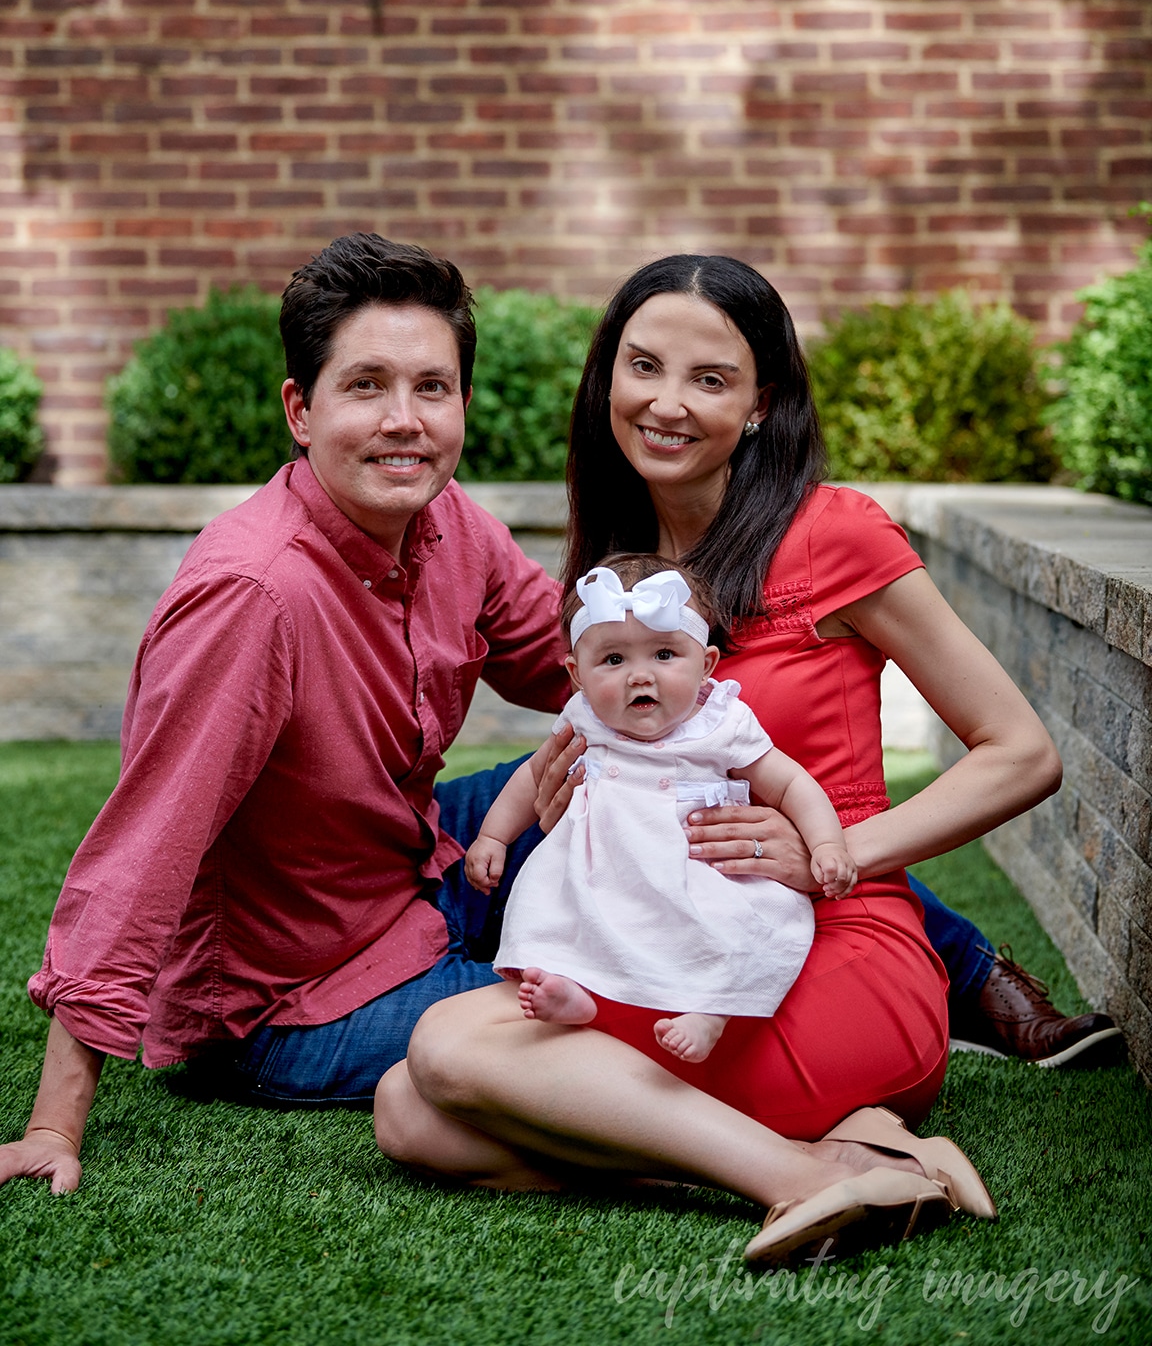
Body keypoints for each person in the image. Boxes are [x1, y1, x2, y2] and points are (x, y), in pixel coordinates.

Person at [0, 235, 1112, 1204]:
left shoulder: (448, 531)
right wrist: (57, 1119)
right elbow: (144, 847)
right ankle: (817, 1146)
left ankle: (953, 968)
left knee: (686, 788)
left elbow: (573, 670)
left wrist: (691, 693)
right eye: (367, 388)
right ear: (301, 410)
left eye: (432, 388)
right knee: (538, 1038)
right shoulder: (254, 596)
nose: (404, 421)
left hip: (419, 860)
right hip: (301, 983)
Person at [372, 253, 1075, 1262]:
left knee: (445, 1051)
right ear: (607, 376)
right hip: (660, 943)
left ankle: (808, 1174)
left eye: (709, 379)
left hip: (821, 951)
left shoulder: (837, 533)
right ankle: (858, 1161)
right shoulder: (622, 561)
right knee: (408, 1112)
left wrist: (831, 852)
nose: (665, 403)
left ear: (760, 405)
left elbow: (1021, 753)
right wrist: (577, 805)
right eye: (643, 366)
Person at [468, 555, 855, 1064]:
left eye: (665, 654)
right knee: (557, 907)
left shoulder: (721, 723)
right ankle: (575, 990)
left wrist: (826, 843)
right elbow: (534, 776)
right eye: (613, 661)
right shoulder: (585, 719)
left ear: (707, 665)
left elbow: (790, 785)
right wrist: (494, 836)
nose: (639, 676)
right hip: (604, 867)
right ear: (576, 675)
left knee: (745, 923)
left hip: (697, 870)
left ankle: (711, 1009)